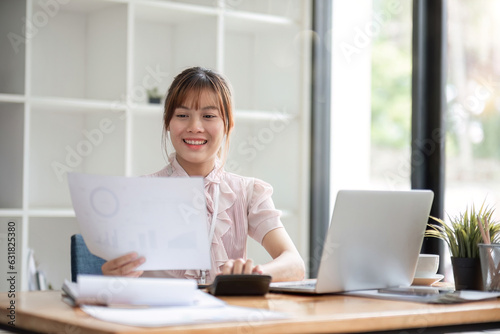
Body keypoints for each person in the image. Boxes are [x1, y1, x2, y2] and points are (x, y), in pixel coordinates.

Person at [102, 67, 305, 284]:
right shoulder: (138, 193)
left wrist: (251, 275)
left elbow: (294, 265)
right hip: (164, 315)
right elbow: (116, 277)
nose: (195, 127)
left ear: (228, 124)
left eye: (208, 116)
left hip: (226, 316)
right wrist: (113, 274)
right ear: (168, 123)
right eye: (182, 115)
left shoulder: (248, 192)